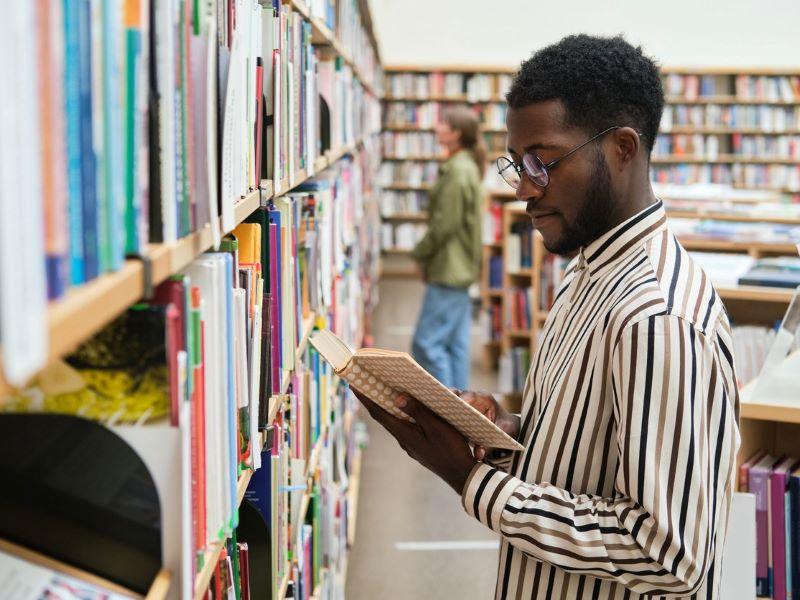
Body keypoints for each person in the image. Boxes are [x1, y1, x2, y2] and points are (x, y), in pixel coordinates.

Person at [355, 34, 740, 599]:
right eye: (518, 165)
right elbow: (591, 450)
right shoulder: (587, 269)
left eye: (544, 161)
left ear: (623, 149)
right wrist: (506, 432)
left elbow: (668, 555)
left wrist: (472, 480)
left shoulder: (657, 318)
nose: (525, 189)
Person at [410, 106, 485, 390]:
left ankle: (446, 409)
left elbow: (445, 224)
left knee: (426, 344)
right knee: (455, 346)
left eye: (443, 123)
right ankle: (461, 411)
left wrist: (419, 254)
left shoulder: (458, 171)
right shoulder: (465, 167)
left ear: (456, 134)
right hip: (460, 267)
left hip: (449, 267)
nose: (437, 127)